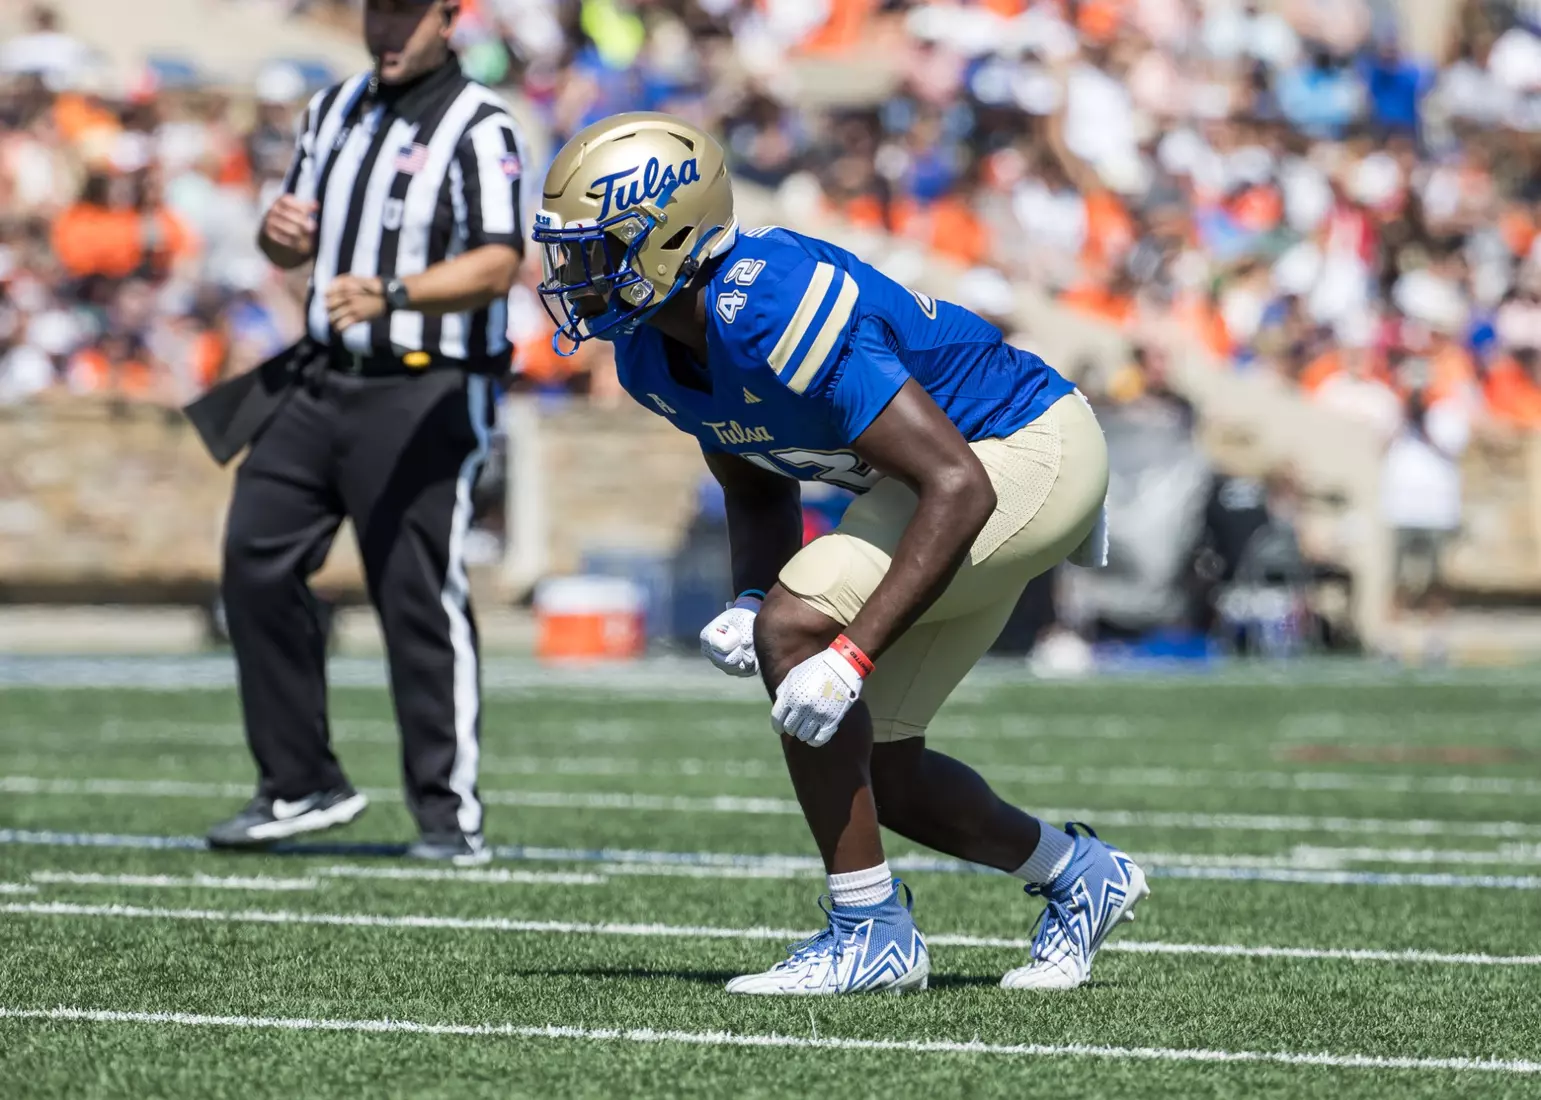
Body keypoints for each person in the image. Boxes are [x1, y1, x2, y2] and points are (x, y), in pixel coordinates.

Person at [532, 112, 1148, 995]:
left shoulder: (771, 302)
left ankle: (868, 932)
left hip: (1022, 453)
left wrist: (844, 651)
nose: (574, 277)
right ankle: (1077, 874)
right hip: (954, 481)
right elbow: (752, 478)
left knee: (803, 628)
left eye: (596, 253)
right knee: (881, 768)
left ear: (668, 236)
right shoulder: (648, 350)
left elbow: (959, 485)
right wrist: (748, 596)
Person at [188, 0, 529, 865]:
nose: (388, 28)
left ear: (450, 18)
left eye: (407, 14)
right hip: (318, 376)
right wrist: (277, 237)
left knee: (414, 593)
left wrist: (397, 293)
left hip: (425, 386)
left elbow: (498, 261)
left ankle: (449, 816)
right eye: (378, 11)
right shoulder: (331, 108)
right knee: (254, 562)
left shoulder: (480, 125)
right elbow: (290, 248)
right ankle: (300, 782)